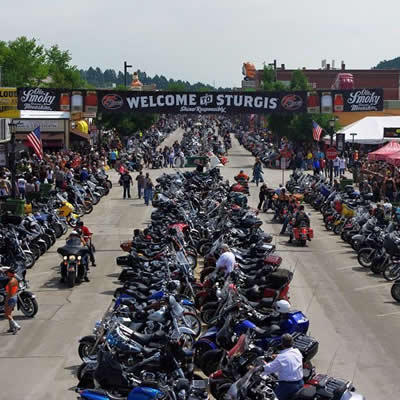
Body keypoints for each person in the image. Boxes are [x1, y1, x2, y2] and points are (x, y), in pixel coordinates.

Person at [263, 333, 303, 400]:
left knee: (272, 398)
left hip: (287, 387)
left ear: (282, 344)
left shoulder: (281, 358)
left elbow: (268, 368)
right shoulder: (297, 351)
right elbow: (289, 358)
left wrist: (254, 368)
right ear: (292, 342)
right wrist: (277, 356)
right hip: (300, 382)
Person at [4, 267, 21, 334]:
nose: (6, 273)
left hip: (11, 298)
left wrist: (6, 301)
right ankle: (11, 328)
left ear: (10, 273)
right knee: (10, 314)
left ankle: (16, 326)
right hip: (15, 297)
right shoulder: (15, 279)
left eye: (7, 272)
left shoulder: (11, 282)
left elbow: (9, 294)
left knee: (7, 315)